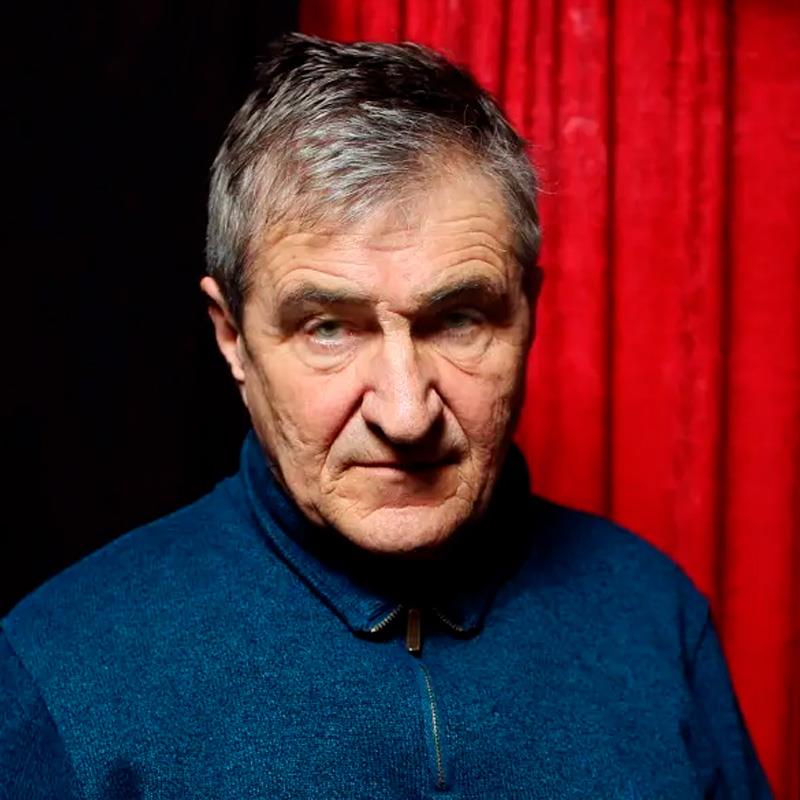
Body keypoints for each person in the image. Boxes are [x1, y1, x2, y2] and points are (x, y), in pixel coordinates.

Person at [0, 33, 771, 800]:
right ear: (231, 336)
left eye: (459, 319)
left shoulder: (655, 618)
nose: (406, 416)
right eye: (328, 329)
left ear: (528, 310)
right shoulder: (63, 666)